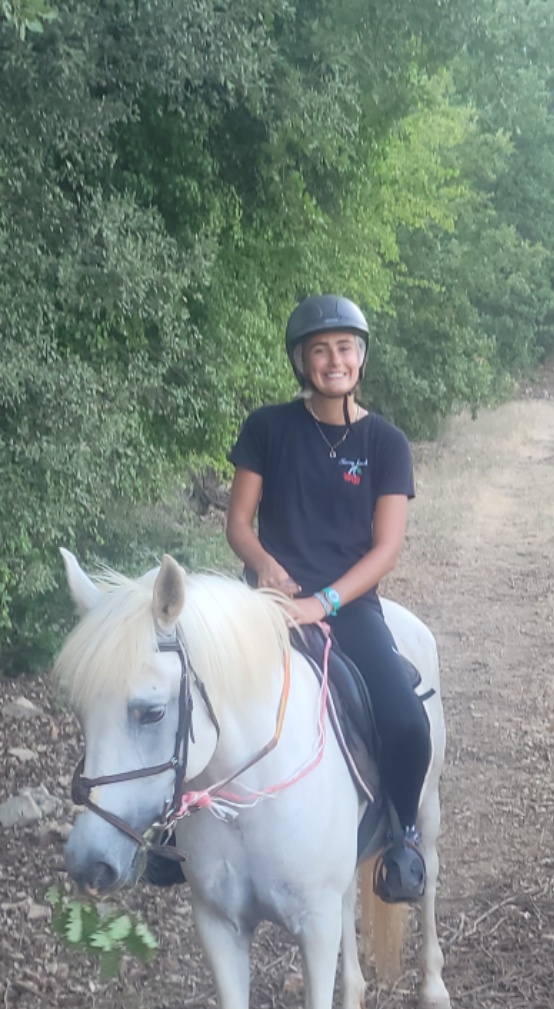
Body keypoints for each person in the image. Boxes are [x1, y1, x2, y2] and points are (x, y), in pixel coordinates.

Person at [225, 293, 430, 903]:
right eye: (320, 350)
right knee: (197, 693)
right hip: (267, 604)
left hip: (349, 606)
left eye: (345, 348)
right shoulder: (267, 428)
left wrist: (323, 604)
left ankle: (402, 834)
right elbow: (238, 524)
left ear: (361, 358)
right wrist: (266, 567)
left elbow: (385, 550)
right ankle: (174, 836)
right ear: (301, 362)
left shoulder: (386, 443)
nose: (333, 360)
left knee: (406, 721)